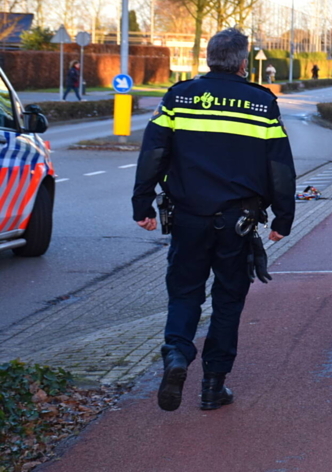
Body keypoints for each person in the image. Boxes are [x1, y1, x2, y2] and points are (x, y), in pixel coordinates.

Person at [131, 27, 296, 412]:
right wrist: (284, 217)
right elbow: (279, 166)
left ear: (208, 58)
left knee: (186, 291)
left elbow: (153, 152)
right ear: (243, 62)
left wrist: (141, 203)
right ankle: (212, 386)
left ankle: (176, 354)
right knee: (228, 299)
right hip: (237, 222)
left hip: (187, 217)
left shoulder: (179, 96)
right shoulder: (260, 102)